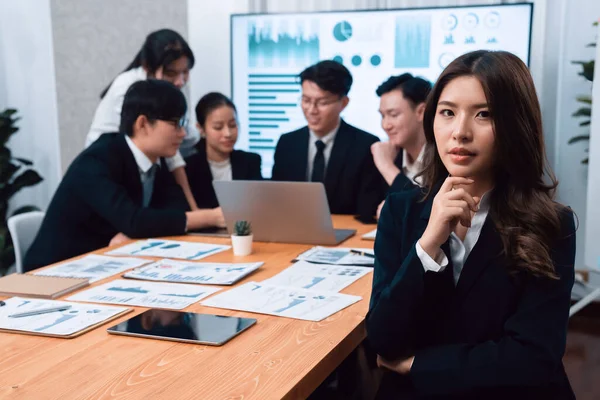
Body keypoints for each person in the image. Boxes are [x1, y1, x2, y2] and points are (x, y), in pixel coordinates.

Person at [366, 50, 576, 399]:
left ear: (515, 123)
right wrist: (428, 244)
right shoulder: (400, 210)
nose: (460, 132)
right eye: (447, 112)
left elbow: (532, 358)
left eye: (484, 114)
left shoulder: (551, 223)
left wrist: (418, 365)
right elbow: (383, 339)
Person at [24, 80, 222, 272]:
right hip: (55, 271)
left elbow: (175, 207)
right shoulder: (98, 160)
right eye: (176, 124)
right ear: (143, 124)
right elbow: (134, 220)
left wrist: (136, 230)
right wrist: (210, 217)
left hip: (107, 265)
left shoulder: (157, 158)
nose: (182, 134)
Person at [86, 28, 199, 210]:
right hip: (110, 170)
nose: (180, 81)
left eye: (185, 72)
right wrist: (196, 211)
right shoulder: (130, 88)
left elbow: (187, 135)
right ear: (148, 67)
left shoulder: (172, 86)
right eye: (172, 73)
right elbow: (171, 153)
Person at [271, 60, 384, 220]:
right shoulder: (287, 143)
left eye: (322, 102)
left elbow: (367, 210)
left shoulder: (365, 145)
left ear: (343, 103)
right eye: (306, 100)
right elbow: (276, 201)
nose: (311, 110)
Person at [185, 92, 262, 223]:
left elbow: (259, 207)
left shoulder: (251, 161)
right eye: (218, 127)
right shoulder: (189, 167)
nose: (228, 133)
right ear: (201, 129)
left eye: (233, 125)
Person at [372, 74, 432, 218]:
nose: (386, 125)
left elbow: (428, 210)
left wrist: (387, 167)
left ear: (421, 112)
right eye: (382, 116)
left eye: (393, 115)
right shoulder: (390, 153)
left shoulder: (445, 156)